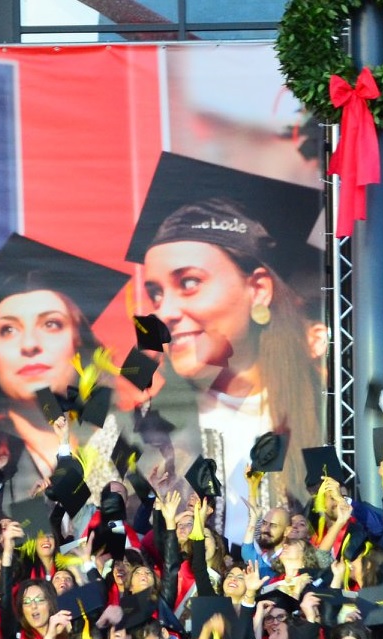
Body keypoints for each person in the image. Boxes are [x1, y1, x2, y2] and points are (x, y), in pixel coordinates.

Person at [124, 153, 326, 545]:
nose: (164, 311)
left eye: (189, 283)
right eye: (155, 292)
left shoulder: (327, 410)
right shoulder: (144, 430)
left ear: (259, 289)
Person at [0, 233, 134, 506]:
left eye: (51, 324)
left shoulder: (126, 436)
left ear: (79, 343)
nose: (29, 344)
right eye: (8, 329)